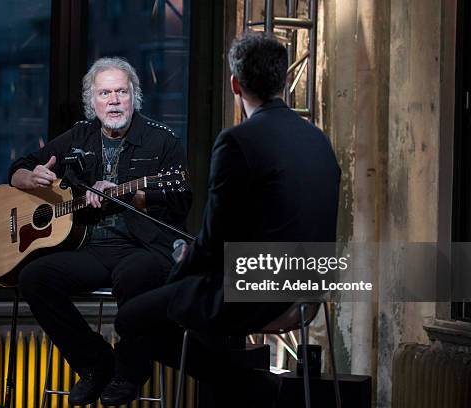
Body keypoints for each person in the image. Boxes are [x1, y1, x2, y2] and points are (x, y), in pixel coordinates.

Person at [102, 32, 341, 407]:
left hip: (255, 296)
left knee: (131, 319)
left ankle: (249, 387)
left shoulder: (238, 141)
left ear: (234, 84)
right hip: (309, 294)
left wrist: (177, 273)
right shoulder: (319, 141)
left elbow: (213, 241)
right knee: (184, 301)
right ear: (282, 81)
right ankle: (243, 386)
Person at [9, 57, 191, 406]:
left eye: (121, 92)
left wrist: (131, 194)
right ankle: (96, 365)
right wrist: (30, 177)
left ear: (133, 97)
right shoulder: (79, 136)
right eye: (104, 93)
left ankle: (130, 372)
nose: (113, 100)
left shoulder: (162, 141)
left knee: (133, 277)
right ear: (91, 101)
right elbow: (17, 168)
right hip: (91, 248)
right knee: (34, 277)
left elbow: (182, 200)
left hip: (146, 247)